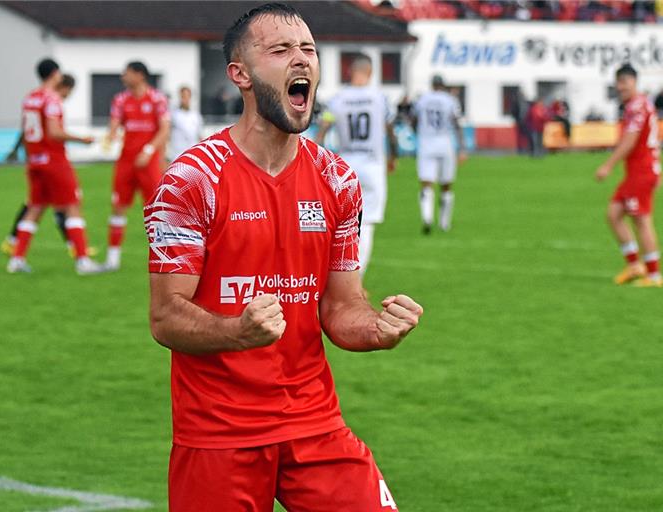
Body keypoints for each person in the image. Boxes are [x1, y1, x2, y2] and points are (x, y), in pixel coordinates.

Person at [143, 3, 423, 510]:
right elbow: (165, 318)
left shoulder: (338, 179)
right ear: (240, 75)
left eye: (309, 50)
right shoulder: (192, 180)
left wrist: (376, 329)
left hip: (315, 423)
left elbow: (341, 306)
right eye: (281, 49)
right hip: (219, 434)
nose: (302, 60)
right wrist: (237, 332)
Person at [7, 59, 103, 275]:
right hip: (54, 160)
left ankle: (17, 259)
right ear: (55, 74)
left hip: (34, 160)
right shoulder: (52, 99)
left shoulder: (30, 97)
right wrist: (82, 139)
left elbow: (26, 129)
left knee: (35, 208)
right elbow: (54, 132)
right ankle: (83, 261)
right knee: (72, 206)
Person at [315, 54, 397, 274]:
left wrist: (314, 156)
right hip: (372, 164)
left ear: (351, 72)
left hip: (345, 166)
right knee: (367, 222)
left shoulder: (338, 99)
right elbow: (390, 130)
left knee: (342, 223)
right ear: (369, 72)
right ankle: (356, 280)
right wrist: (393, 157)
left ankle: (332, 273)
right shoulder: (379, 98)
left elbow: (323, 129)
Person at [595, 64, 663, 287]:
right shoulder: (640, 105)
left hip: (641, 172)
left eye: (625, 81)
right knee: (614, 214)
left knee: (641, 221)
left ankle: (654, 275)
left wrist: (608, 165)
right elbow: (653, 138)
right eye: (618, 82)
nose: (620, 86)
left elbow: (631, 140)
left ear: (634, 81)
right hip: (640, 171)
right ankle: (635, 265)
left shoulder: (637, 106)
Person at [103, 61, 170, 271]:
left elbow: (164, 130)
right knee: (118, 206)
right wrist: (111, 135)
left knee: (156, 211)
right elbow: (115, 123)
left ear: (140, 75)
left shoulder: (157, 99)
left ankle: (164, 259)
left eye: (127, 73)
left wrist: (149, 151)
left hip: (148, 162)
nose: (124, 77)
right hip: (126, 162)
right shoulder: (121, 99)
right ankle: (112, 260)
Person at [411, 75, 467, 233]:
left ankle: (427, 217)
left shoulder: (422, 100)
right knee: (446, 184)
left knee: (426, 182)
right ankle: (444, 223)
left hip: (426, 143)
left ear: (432, 85)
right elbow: (457, 124)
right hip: (445, 142)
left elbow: (413, 120)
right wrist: (462, 148)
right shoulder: (450, 100)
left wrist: (418, 132)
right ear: (443, 85)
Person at [169, 85, 203, 159]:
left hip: (193, 155)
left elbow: (199, 136)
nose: (185, 99)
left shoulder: (196, 116)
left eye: (187, 96)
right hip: (176, 155)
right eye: (183, 96)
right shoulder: (173, 115)